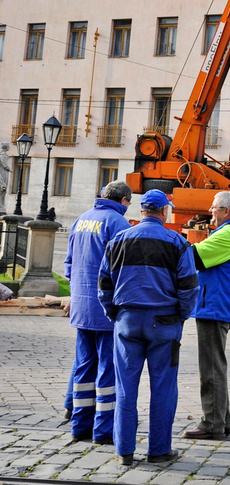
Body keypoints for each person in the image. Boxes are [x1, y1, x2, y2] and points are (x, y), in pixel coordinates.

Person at [98, 189, 199, 466]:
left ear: (141, 210)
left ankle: (124, 452)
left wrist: (115, 315)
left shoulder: (118, 240)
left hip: (127, 321)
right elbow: (189, 288)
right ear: (164, 211)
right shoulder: (177, 243)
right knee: (163, 389)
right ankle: (158, 450)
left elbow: (104, 286)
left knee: (125, 389)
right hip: (164, 324)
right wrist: (181, 316)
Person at [63, 180, 132, 442]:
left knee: (83, 366)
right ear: (123, 201)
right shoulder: (118, 224)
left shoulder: (81, 219)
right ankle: (103, 430)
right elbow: (122, 271)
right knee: (107, 368)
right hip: (105, 310)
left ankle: (79, 426)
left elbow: (69, 263)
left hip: (81, 308)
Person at [183, 191, 230, 439]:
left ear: (226, 211)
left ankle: (212, 423)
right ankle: (224, 419)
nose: (210, 211)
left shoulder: (226, 235)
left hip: (214, 306)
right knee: (216, 365)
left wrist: (173, 243)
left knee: (211, 368)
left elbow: (193, 256)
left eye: (214, 207)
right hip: (219, 305)